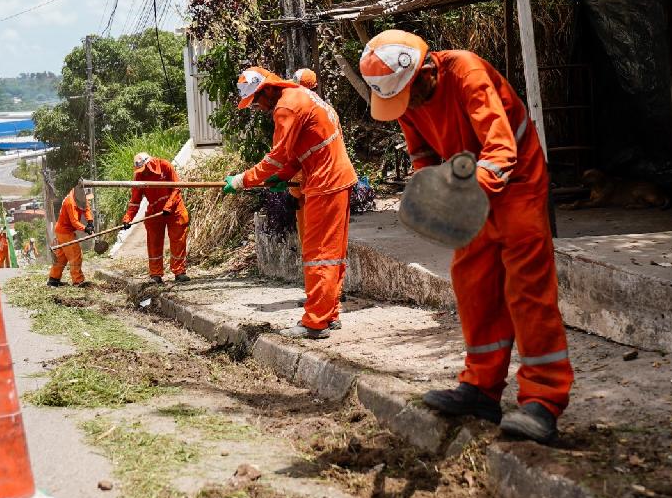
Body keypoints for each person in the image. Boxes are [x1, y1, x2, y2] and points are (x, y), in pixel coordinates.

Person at [359, 29, 574, 444]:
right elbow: (420, 150)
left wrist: (460, 195)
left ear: (425, 71)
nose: (408, 108)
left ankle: (543, 402)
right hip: (469, 186)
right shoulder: (402, 95)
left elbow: (501, 151)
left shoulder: (467, 73)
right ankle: (480, 390)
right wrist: (431, 190)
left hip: (517, 183)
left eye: (410, 97)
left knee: (527, 290)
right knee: (473, 283)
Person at [224, 67, 356, 339]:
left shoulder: (286, 107)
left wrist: (243, 180)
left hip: (325, 182)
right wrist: (281, 178)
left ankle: (315, 323)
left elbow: (278, 155)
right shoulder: (302, 97)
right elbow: (298, 153)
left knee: (319, 255)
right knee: (331, 253)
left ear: (268, 89)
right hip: (334, 179)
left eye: (257, 101)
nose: (258, 108)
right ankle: (329, 314)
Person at [122, 153, 190, 284]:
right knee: (154, 242)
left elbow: (176, 188)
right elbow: (135, 201)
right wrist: (128, 218)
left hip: (174, 209)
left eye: (145, 169)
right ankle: (155, 274)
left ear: (149, 163)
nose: (144, 172)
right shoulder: (139, 176)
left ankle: (179, 272)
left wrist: (168, 206)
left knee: (178, 240)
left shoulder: (165, 166)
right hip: (155, 211)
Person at [288, 69, 318, 243]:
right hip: (306, 189)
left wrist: (294, 191)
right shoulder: (323, 111)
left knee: (312, 244)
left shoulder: (303, 116)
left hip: (308, 191)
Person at [48, 184, 93, 288]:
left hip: (62, 231)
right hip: (64, 232)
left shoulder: (80, 196)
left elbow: (87, 209)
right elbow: (74, 221)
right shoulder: (70, 202)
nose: (87, 200)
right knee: (75, 255)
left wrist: (90, 221)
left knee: (62, 257)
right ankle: (78, 281)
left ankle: (53, 280)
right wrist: (85, 228)